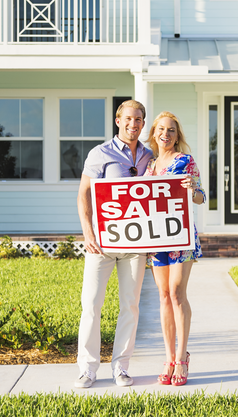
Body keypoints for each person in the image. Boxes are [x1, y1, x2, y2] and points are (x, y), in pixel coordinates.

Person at [74, 100, 153, 388]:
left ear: (143, 123)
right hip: (102, 244)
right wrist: (88, 233)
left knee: (130, 306)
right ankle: (87, 369)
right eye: (129, 118)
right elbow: (84, 194)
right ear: (118, 120)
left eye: (139, 119)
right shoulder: (100, 153)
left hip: (135, 246)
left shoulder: (149, 156)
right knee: (92, 305)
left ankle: (121, 367)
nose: (134, 124)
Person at [144, 111, 205, 387]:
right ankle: (168, 358)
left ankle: (182, 357)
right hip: (157, 239)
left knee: (178, 294)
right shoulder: (150, 166)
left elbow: (202, 197)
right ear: (154, 133)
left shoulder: (185, 161)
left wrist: (192, 189)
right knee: (164, 295)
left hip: (181, 237)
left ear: (177, 135)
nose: (165, 134)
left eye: (171, 130)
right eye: (161, 129)